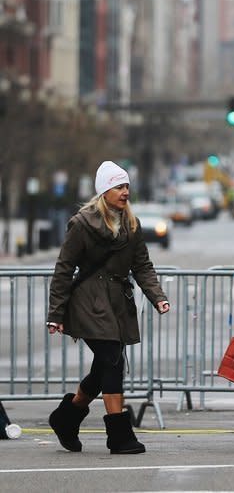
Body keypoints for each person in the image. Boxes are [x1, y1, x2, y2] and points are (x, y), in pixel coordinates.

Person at [46, 161, 170, 454]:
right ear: (104, 191)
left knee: (104, 364)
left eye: (127, 186)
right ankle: (118, 434)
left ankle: (66, 418)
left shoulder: (131, 223)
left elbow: (142, 266)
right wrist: (56, 314)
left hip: (117, 301)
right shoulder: (82, 223)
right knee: (112, 359)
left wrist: (158, 296)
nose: (125, 192)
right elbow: (64, 269)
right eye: (119, 187)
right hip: (88, 301)